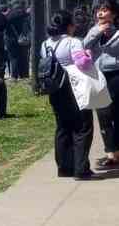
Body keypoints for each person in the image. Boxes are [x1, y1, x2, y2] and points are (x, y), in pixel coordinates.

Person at [45, 10, 96, 180]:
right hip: (73, 86)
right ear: (69, 26)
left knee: (63, 127)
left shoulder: (45, 44)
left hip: (54, 88)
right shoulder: (73, 42)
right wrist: (88, 55)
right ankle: (81, 168)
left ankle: (64, 167)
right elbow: (82, 63)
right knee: (83, 127)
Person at [83, 0, 119, 169]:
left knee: (117, 114)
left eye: (104, 10)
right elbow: (84, 45)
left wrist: (110, 32)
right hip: (99, 76)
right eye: (98, 10)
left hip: (116, 75)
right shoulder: (93, 30)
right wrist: (98, 31)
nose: (100, 13)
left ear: (114, 13)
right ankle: (111, 153)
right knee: (104, 115)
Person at [5, 0, 31, 80]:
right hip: (24, 38)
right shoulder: (25, 14)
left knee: (13, 57)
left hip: (11, 39)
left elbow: (5, 27)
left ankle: (14, 75)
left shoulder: (9, 15)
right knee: (24, 57)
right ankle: (24, 75)